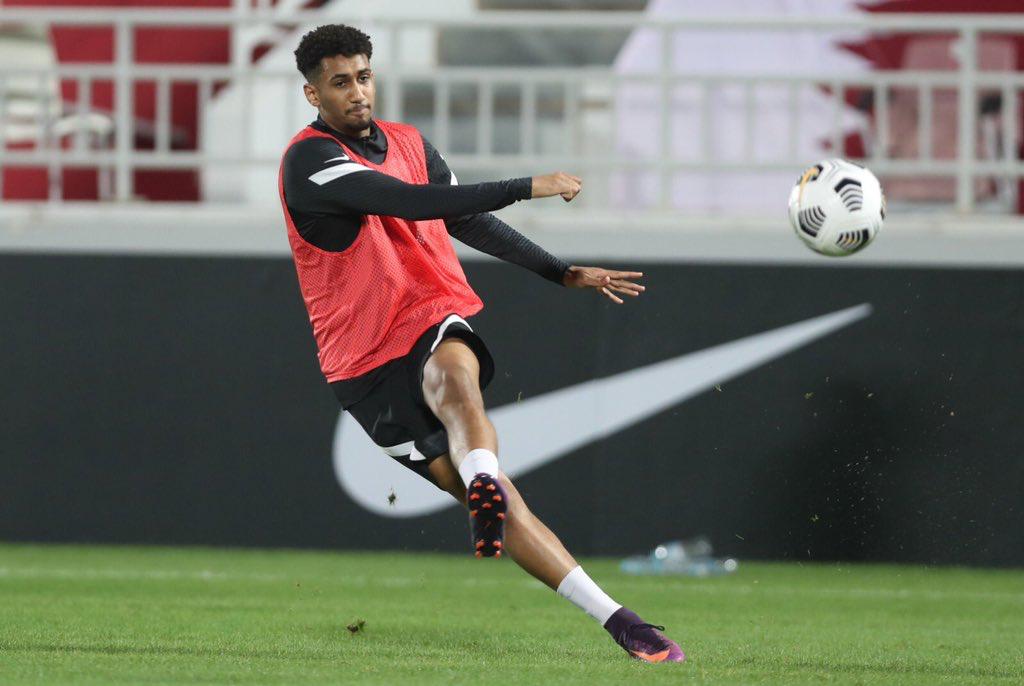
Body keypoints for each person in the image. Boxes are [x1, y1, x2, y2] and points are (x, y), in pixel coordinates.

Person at [279, 24, 684, 664]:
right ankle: (488, 488)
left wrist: (561, 270)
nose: (356, 92)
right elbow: (414, 203)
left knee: (456, 381)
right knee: (499, 496)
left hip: (429, 309)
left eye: (363, 76)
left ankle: (623, 623)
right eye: (339, 82)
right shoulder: (310, 161)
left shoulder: (410, 141)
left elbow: (462, 219)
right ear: (312, 94)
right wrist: (529, 184)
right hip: (362, 361)